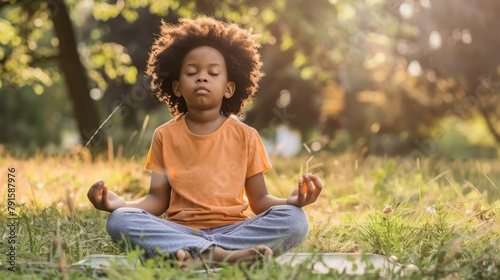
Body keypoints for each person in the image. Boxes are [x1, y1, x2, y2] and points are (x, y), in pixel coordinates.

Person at [87, 16, 323, 269]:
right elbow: (157, 200)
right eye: (192, 72)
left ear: (229, 88)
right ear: (176, 87)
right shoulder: (164, 135)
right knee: (120, 220)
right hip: (180, 232)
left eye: (213, 73)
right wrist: (119, 204)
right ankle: (222, 257)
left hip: (235, 231)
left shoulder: (247, 136)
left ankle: (200, 256)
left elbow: (260, 201)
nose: (202, 78)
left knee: (295, 219)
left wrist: (291, 201)